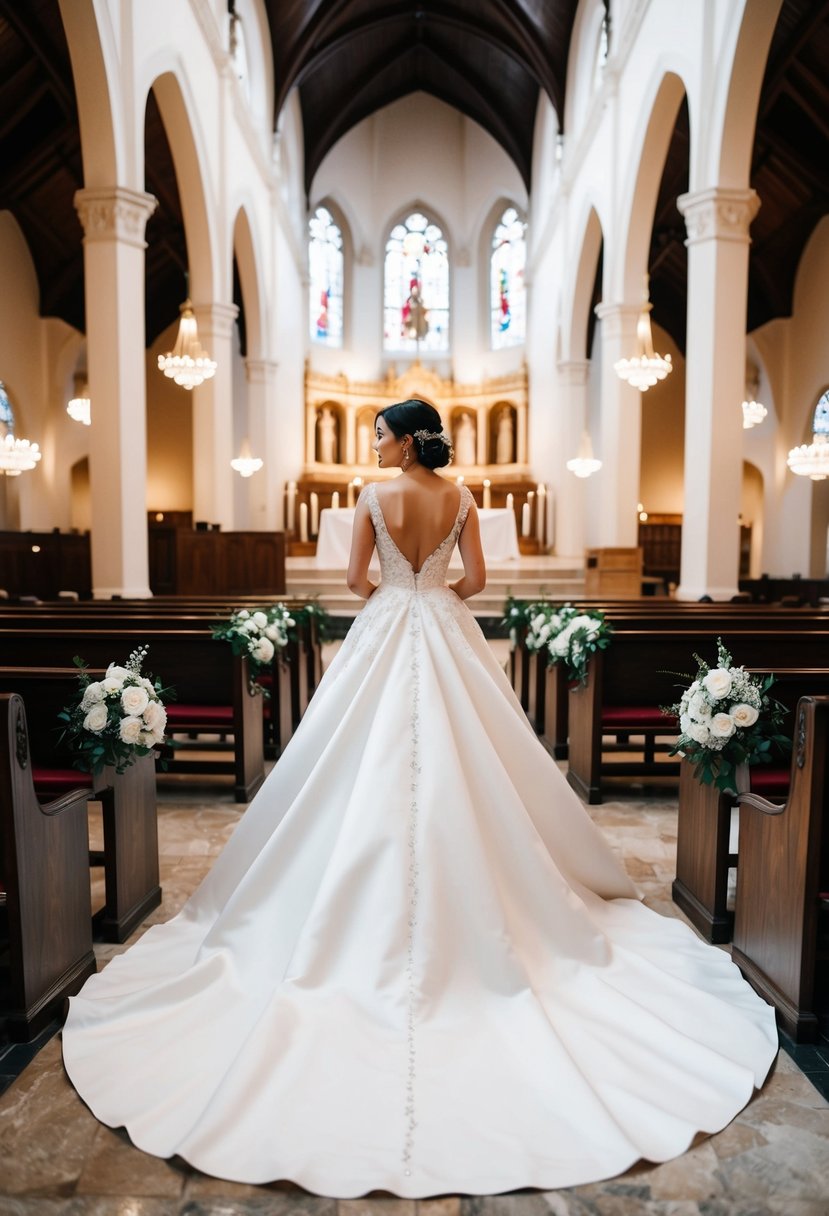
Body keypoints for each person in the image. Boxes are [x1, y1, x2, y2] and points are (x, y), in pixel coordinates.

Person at [62, 398, 777, 1198]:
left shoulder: (371, 500)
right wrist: (435, 595)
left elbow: (351, 579)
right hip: (441, 623)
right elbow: (476, 579)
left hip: (385, 624)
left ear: (405, 439)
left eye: (380, 432)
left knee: (347, 756)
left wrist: (394, 591)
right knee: (477, 754)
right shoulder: (464, 496)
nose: (372, 442)